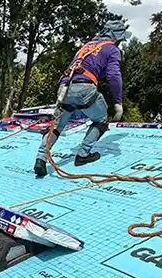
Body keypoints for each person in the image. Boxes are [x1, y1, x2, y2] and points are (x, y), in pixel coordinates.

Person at [34, 19, 130, 178]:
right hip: (84, 88)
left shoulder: (87, 46)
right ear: (117, 36)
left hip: (64, 88)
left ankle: (40, 159)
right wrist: (118, 102)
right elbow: (114, 75)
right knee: (101, 118)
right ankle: (83, 154)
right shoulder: (112, 49)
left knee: (57, 126)